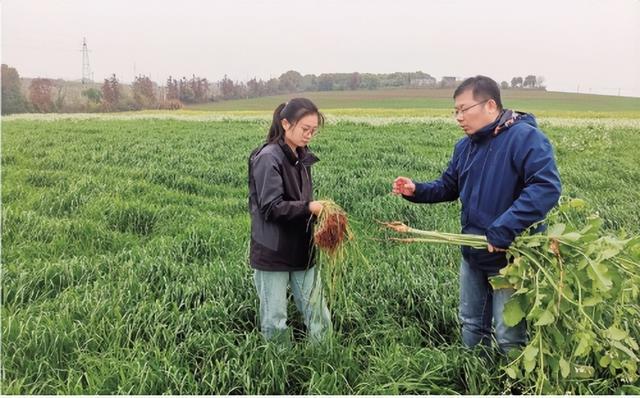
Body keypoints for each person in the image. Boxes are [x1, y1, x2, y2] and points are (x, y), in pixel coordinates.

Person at [392, 75, 561, 353]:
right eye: (455, 111)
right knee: (471, 322)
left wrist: (505, 228)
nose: (458, 117)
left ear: (490, 105)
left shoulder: (525, 138)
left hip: (511, 256)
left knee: (508, 335)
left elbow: (546, 187)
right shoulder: (465, 146)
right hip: (473, 250)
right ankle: (474, 376)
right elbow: (449, 186)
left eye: (463, 109)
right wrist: (416, 190)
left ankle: (513, 386)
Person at [248, 97, 332, 343]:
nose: (309, 135)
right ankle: (278, 368)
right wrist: (310, 208)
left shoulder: (302, 157)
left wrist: (317, 214)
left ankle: (325, 360)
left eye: (313, 131)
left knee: (318, 312)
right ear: (285, 124)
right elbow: (271, 208)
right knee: (275, 318)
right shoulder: (268, 157)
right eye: (305, 129)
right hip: (272, 249)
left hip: (302, 247)